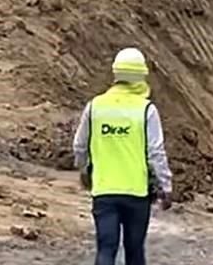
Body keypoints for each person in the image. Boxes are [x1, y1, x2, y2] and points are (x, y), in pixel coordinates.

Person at [72, 48, 173, 265]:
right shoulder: (146, 110)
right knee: (135, 251)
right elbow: (156, 153)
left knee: (106, 249)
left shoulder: (95, 107)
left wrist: (84, 170)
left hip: (104, 191)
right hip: (137, 193)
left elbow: (80, 146)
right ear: (141, 76)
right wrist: (166, 186)